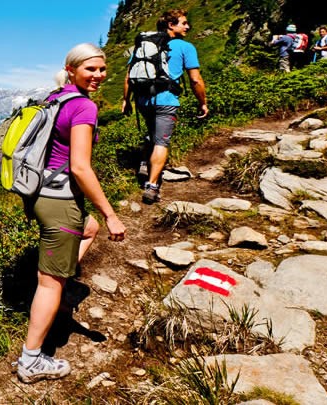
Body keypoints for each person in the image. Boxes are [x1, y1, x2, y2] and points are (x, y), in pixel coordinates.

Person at [16, 43, 126, 383]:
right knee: (49, 284)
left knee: (87, 229)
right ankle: (31, 361)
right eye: (90, 69)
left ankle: (61, 293)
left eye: (102, 69)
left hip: (40, 194)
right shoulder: (83, 108)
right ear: (71, 69)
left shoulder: (55, 98)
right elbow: (80, 167)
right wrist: (110, 213)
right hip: (60, 200)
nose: (98, 75)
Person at [122, 9, 208, 204]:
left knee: (151, 132)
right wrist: (203, 102)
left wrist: (126, 101)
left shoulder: (143, 45)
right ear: (171, 25)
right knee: (162, 142)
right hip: (166, 101)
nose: (188, 27)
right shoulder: (185, 47)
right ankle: (152, 186)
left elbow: (128, 76)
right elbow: (195, 80)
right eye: (184, 23)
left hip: (143, 100)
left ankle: (145, 163)